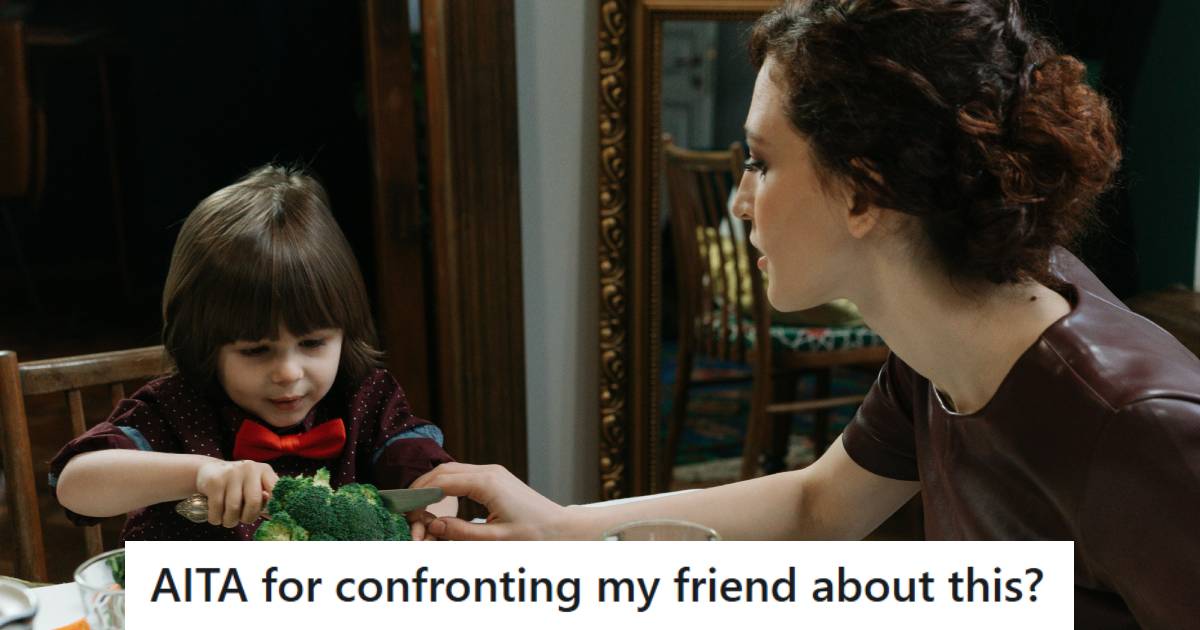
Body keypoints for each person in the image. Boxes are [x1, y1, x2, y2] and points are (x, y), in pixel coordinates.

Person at [408, 0, 1200, 626]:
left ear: (864, 190)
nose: (741, 198)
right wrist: (553, 527)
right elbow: (817, 506)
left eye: (759, 161)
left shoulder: (1135, 426)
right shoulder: (949, 333)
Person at [51, 165, 457, 541]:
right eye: (256, 350)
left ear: (345, 333)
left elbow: (438, 482)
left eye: (313, 343)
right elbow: (76, 486)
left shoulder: (366, 398)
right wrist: (203, 472)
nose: (287, 371)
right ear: (204, 346)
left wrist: (431, 512)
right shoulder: (173, 408)